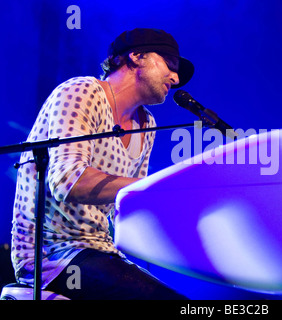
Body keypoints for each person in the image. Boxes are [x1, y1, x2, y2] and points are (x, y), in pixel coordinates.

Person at [10, 28, 194, 299]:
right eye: (170, 64)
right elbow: (67, 179)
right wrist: (156, 187)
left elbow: (128, 206)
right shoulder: (81, 92)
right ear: (136, 56)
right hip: (53, 256)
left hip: (102, 251)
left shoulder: (147, 124)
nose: (176, 78)